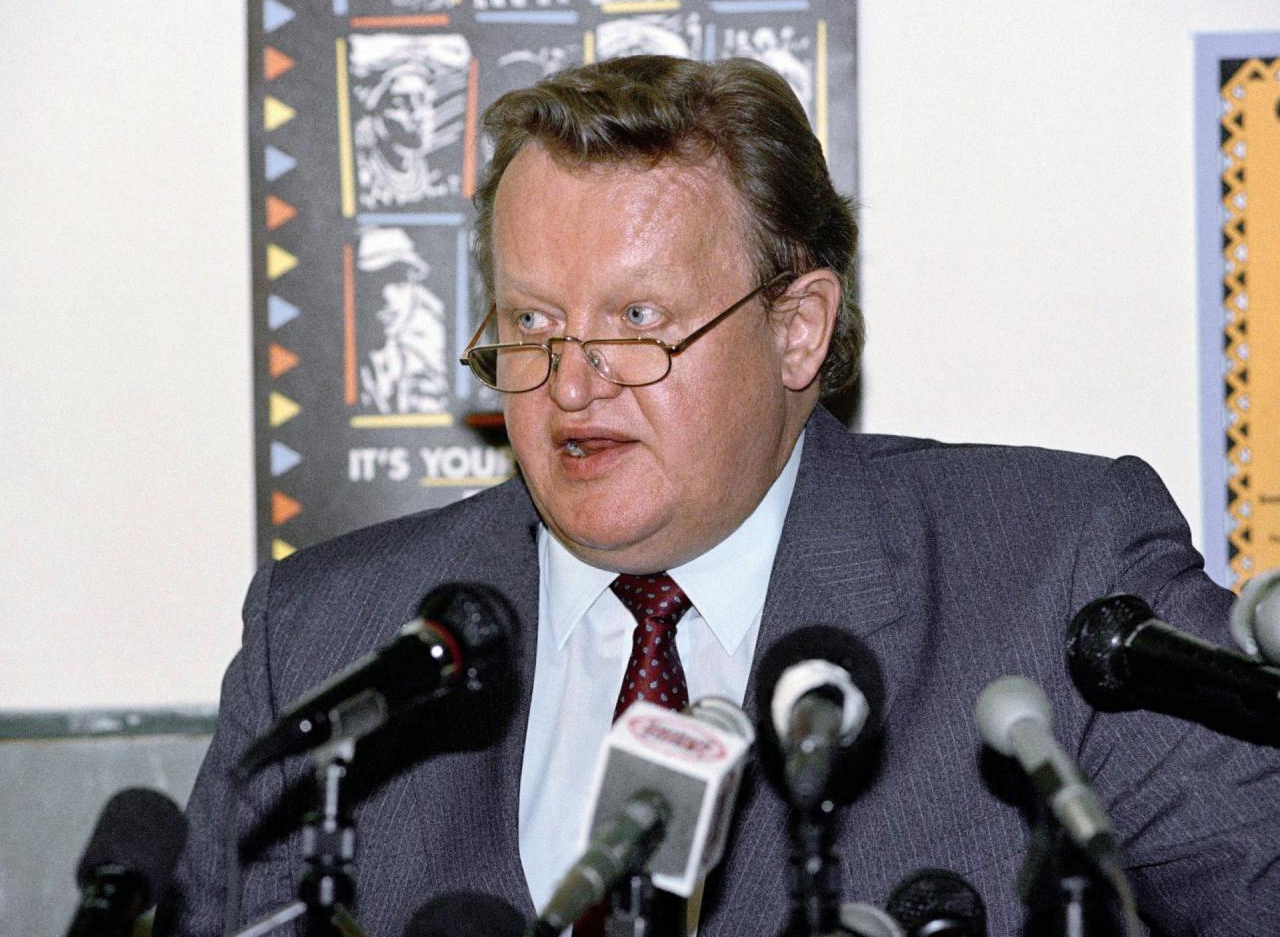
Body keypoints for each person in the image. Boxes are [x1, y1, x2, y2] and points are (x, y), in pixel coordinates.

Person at [161, 56, 1280, 937]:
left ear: (796, 330)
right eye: (533, 323)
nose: (570, 385)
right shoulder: (325, 640)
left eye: (637, 321)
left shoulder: (1049, 575)